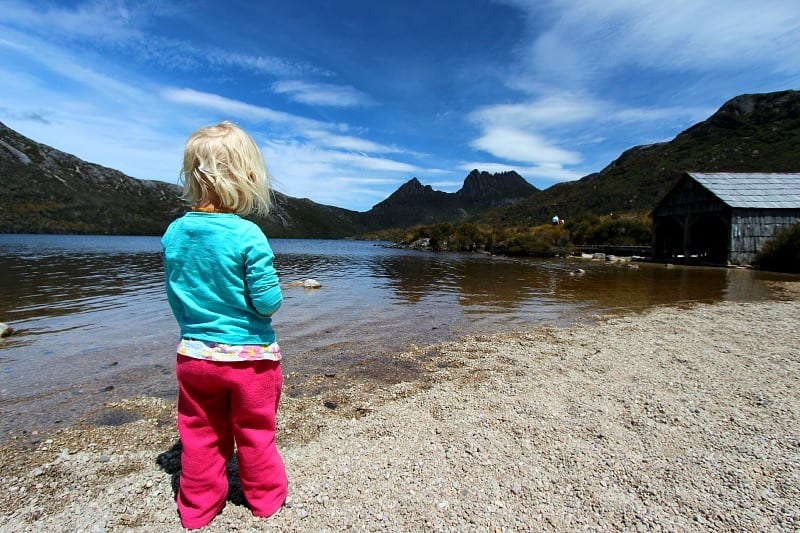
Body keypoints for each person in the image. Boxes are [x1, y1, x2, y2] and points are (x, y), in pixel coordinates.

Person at [161, 121, 287, 529]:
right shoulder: (249, 234)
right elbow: (267, 304)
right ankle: (266, 499)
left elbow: (178, 295)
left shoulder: (174, 233)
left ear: (192, 175)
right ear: (248, 176)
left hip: (195, 356)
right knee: (254, 430)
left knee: (200, 435)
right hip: (251, 360)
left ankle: (197, 509)